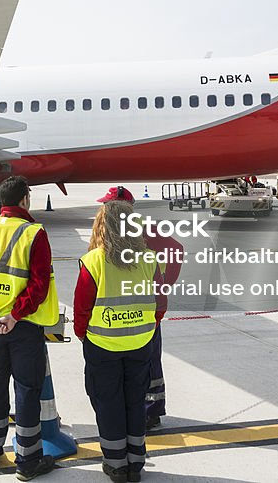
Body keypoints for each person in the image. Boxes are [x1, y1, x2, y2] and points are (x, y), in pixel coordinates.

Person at [0, 176, 58, 481]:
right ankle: (28, 461)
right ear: (25, 199)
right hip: (23, 325)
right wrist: (15, 316)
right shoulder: (33, 233)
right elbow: (39, 284)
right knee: (27, 390)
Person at [74, 200, 165, 483]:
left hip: (103, 344)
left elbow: (82, 307)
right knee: (135, 401)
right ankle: (135, 462)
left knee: (108, 402)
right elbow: (161, 303)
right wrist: (146, 326)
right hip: (140, 343)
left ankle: (116, 465)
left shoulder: (94, 260)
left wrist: (83, 334)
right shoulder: (150, 258)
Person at [96, 186, 182, 430]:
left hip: (144, 308)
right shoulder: (122, 228)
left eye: (107, 205)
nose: (103, 209)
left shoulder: (137, 228)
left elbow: (176, 250)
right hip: (137, 306)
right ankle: (142, 409)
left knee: (147, 361)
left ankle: (150, 411)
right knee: (142, 361)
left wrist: (163, 285)